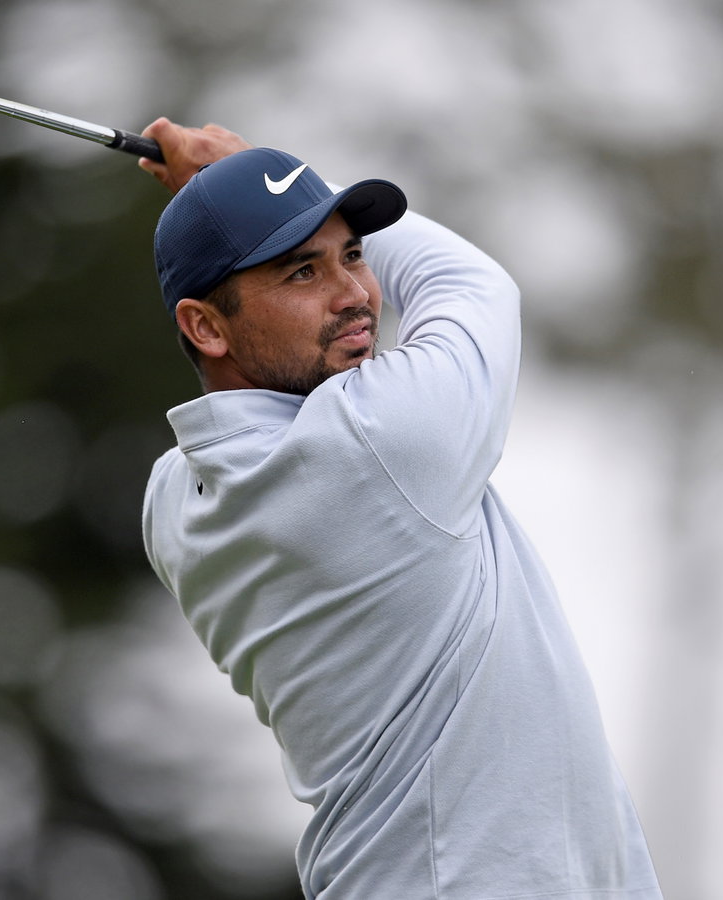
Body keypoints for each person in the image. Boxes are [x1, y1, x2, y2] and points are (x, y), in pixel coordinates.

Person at [138, 117, 662, 900]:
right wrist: (245, 168)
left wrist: (256, 202)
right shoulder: (378, 443)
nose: (356, 295)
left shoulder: (171, 498)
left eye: (354, 253)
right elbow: (476, 284)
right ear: (204, 325)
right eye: (301, 273)